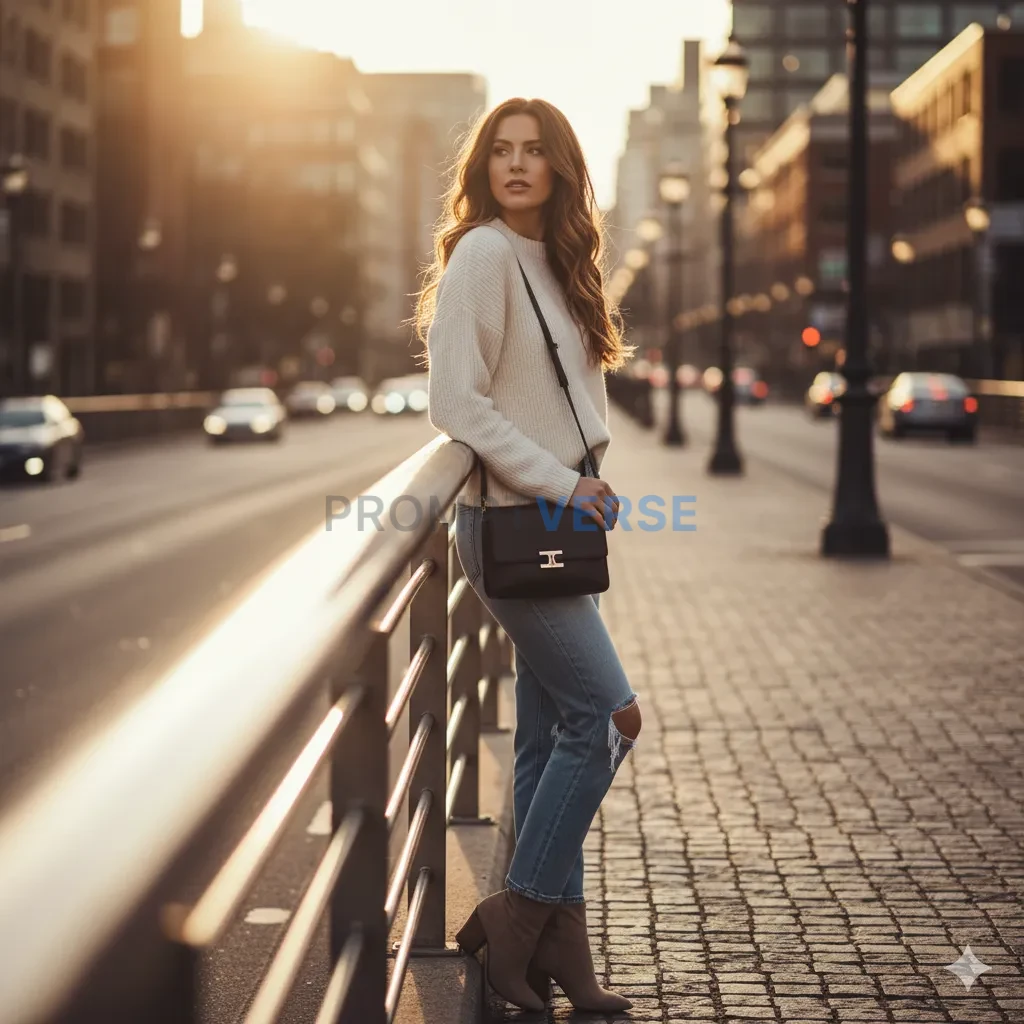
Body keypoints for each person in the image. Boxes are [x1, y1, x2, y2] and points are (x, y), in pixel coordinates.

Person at [414, 97, 641, 1013]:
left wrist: (585, 480)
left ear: (559, 168)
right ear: (483, 167)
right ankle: (515, 920)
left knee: (551, 738)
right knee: (609, 719)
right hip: (514, 526)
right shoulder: (483, 253)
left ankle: (562, 954)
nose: (515, 164)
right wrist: (560, 482)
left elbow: (562, 401)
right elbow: (455, 402)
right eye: (500, 150)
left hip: (556, 527)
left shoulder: (561, 261)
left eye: (533, 150)